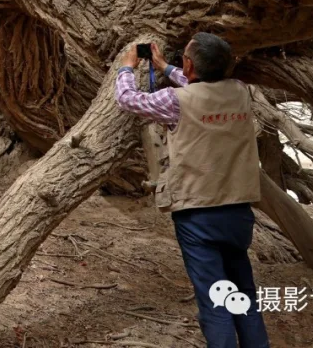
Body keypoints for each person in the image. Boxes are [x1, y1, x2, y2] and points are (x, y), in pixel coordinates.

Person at [115, 32, 269, 348]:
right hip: (238, 212)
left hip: (198, 214)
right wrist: (165, 67)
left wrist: (127, 67)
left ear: (189, 65)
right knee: (243, 295)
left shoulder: (175, 101)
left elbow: (128, 99)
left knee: (215, 301)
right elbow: (203, 89)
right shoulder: (240, 91)